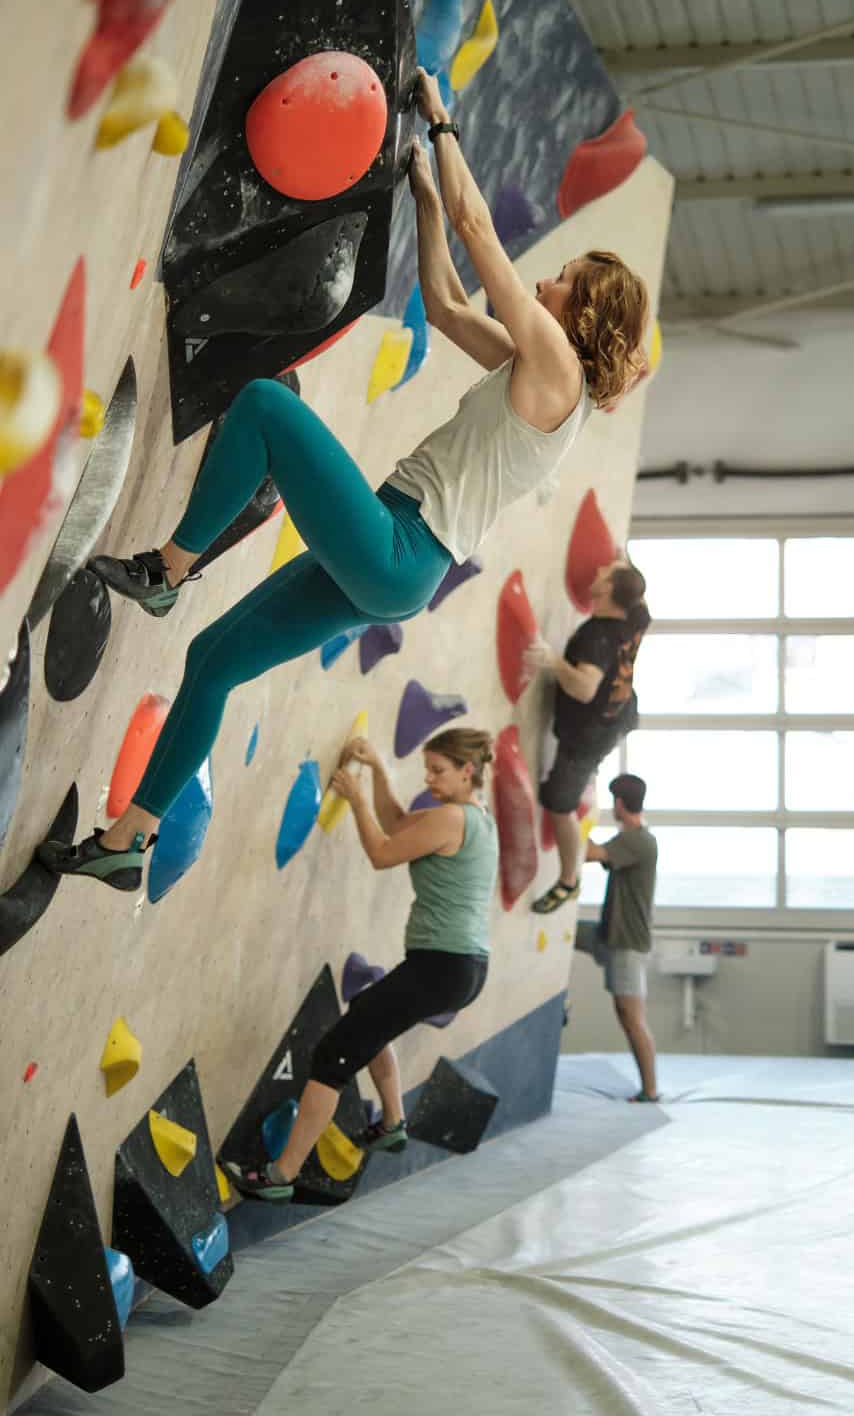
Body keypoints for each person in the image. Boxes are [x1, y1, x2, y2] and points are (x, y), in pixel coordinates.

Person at [38, 69, 649, 889]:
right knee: (215, 660)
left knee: (262, 406)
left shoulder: (557, 368)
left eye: (563, 280)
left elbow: (479, 225)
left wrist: (443, 125)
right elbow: (442, 298)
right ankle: (131, 840)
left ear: (584, 313)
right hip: (393, 558)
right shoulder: (533, 370)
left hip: (401, 548)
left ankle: (169, 571)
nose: (547, 281)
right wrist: (425, 194)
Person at [223, 728, 498, 1200]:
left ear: (467, 771)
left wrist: (354, 798)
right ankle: (391, 1123)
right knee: (371, 1017)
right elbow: (399, 824)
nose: (429, 778)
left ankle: (281, 1175)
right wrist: (376, 771)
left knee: (331, 1057)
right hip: (458, 966)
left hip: (442, 965)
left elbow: (382, 852)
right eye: (426, 769)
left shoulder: (453, 817)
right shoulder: (474, 818)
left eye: (438, 770)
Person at [528, 560, 649, 914]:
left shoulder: (598, 636)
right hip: (616, 717)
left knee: (558, 802)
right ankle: (585, 780)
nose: (595, 572)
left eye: (604, 573)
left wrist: (552, 661)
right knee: (572, 783)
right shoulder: (633, 621)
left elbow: (583, 688)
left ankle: (568, 880)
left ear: (608, 589)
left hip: (591, 732)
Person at [574, 773, 660, 1101]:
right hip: (606, 935)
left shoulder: (638, 840)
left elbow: (591, 853)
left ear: (619, 804)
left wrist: (570, 820)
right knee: (564, 934)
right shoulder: (631, 838)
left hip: (626, 944)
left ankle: (650, 1090)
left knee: (631, 1018)